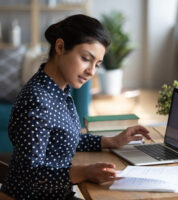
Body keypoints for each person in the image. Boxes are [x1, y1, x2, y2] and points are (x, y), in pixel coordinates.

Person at [0, 14, 150, 200]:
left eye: (97, 64)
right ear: (60, 47)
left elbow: (62, 140)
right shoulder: (37, 100)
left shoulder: (60, 90)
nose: (91, 71)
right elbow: (29, 174)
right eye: (86, 58)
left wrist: (111, 141)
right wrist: (84, 172)